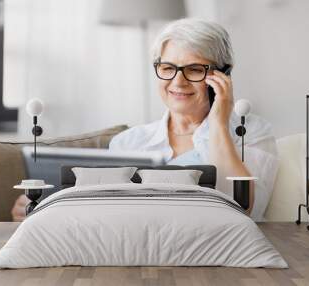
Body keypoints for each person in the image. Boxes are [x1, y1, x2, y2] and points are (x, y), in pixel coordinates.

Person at [109, 19, 279, 221]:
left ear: (224, 75)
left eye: (195, 69)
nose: (178, 82)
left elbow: (242, 209)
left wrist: (219, 124)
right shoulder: (127, 142)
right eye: (167, 68)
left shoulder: (252, 133)